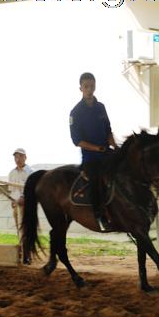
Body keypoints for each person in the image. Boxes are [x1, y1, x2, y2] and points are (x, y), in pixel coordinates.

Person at [69, 72, 118, 231]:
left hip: (106, 152)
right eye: (86, 87)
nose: (90, 89)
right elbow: (77, 141)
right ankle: (100, 216)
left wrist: (115, 147)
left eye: (92, 86)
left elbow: (108, 130)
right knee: (97, 179)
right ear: (80, 88)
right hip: (91, 157)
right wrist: (98, 148)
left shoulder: (101, 107)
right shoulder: (75, 112)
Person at [7, 148, 33, 239]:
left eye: (20, 156)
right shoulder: (12, 173)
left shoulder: (30, 172)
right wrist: (12, 201)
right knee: (18, 226)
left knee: (27, 227)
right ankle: (20, 246)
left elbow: (31, 190)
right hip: (16, 204)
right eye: (16, 157)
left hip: (26, 205)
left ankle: (27, 247)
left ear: (25, 157)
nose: (18, 159)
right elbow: (11, 190)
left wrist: (24, 198)